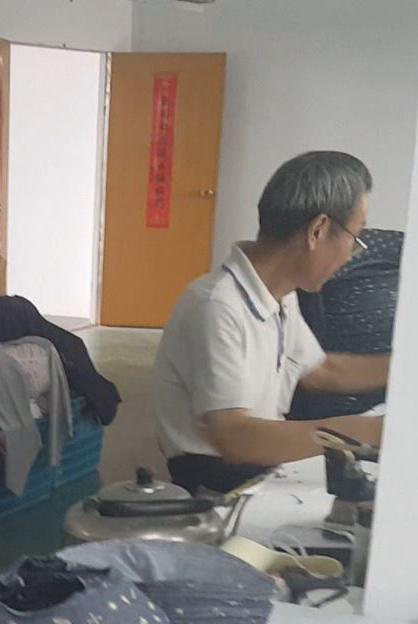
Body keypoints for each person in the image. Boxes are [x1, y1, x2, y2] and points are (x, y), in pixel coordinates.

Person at [152, 151, 390, 494]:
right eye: (356, 237)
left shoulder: (279, 294)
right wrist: (369, 432)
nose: (352, 254)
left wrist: (409, 372)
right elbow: (234, 438)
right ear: (318, 231)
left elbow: (322, 371)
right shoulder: (216, 305)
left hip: (258, 462)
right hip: (216, 483)